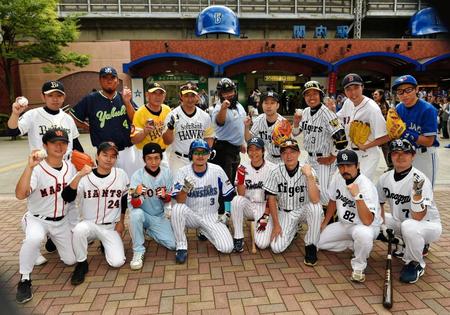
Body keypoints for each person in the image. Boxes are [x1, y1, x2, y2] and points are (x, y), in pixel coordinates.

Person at [7, 80, 82, 263]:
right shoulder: (33, 115)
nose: (55, 99)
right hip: (42, 168)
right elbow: (14, 130)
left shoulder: (67, 119)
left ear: (64, 97)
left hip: (65, 168)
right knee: (42, 202)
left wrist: (86, 163)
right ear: (43, 97)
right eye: (50, 95)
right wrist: (16, 113)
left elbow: (76, 143)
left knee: (68, 204)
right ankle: (31, 223)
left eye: (58, 95)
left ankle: (59, 236)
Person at [15, 128, 77, 303]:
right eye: (54, 142)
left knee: (70, 260)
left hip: (61, 221)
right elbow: (20, 194)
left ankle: (49, 238)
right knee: (34, 239)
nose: (59, 146)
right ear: (45, 145)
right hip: (37, 219)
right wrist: (29, 167)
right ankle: (25, 279)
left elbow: (72, 199)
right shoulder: (37, 168)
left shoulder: (70, 168)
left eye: (63, 142)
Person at [62, 142, 129, 285]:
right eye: (105, 155)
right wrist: (79, 175)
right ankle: (81, 264)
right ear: (97, 156)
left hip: (111, 227)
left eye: (113, 156)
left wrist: (121, 221)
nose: (108, 159)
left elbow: (124, 199)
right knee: (79, 230)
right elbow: (67, 196)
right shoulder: (85, 176)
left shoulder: (121, 174)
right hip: (89, 225)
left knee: (116, 262)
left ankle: (105, 244)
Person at [376, 139, 441, 283]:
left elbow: (418, 216)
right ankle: (404, 243)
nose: (400, 156)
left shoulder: (420, 180)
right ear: (390, 156)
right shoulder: (384, 178)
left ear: (413, 156)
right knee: (373, 219)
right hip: (401, 221)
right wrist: (382, 226)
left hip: (427, 225)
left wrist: (416, 196)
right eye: (395, 153)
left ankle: (415, 263)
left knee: (409, 226)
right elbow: (378, 203)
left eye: (406, 153)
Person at [318, 149, 382, 283]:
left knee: (363, 235)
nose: (344, 169)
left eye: (349, 165)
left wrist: (358, 196)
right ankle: (353, 244)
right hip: (345, 224)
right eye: (341, 166)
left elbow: (367, 220)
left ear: (357, 166)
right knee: (319, 242)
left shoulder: (366, 186)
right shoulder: (338, 177)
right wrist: (325, 223)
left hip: (365, 226)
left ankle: (359, 266)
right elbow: (332, 200)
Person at [170, 139, 234, 264]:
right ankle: (181, 246)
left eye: (204, 152)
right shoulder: (182, 172)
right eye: (196, 152)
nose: (200, 156)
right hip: (191, 215)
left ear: (209, 154)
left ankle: (205, 230)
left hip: (211, 215)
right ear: (191, 155)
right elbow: (179, 200)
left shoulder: (217, 170)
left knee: (227, 248)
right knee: (177, 209)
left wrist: (227, 212)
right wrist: (185, 189)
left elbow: (228, 194)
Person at [70, 66, 138, 177]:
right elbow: (72, 117)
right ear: (100, 80)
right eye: (105, 77)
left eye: (112, 77)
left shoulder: (124, 97)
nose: (109, 80)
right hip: (104, 152)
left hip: (126, 150)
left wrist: (127, 102)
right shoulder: (91, 99)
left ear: (117, 80)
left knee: (129, 181)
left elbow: (135, 119)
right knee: (106, 182)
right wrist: (86, 126)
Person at [263, 139, 322, 266]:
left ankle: (311, 245)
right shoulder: (275, 171)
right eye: (285, 153)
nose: (289, 156)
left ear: (299, 153)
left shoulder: (307, 170)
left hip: (304, 209)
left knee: (316, 208)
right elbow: (271, 199)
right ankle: (293, 228)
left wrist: (309, 177)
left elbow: (315, 199)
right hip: (286, 212)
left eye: (292, 152)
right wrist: (277, 225)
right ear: (281, 155)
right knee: (276, 248)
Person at [292, 81, 348, 210]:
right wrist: (295, 123)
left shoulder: (327, 113)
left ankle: (329, 223)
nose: (311, 97)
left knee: (324, 195)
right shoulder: (305, 112)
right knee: (305, 188)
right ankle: (312, 217)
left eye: (314, 94)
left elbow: (342, 140)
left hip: (324, 159)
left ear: (320, 95)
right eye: (308, 94)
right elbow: (295, 134)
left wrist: (332, 157)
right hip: (309, 158)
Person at [128, 143, 176, 270]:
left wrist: (165, 196)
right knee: (135, 214)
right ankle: (138, 250)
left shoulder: (167, 173)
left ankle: (148, 230)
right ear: (144, 159)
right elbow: (134, 204)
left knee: (173, 245)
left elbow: (169, 199)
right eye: (149, 158)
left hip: (159, 216)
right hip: (143, 214)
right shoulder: (137, 176)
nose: (153, 162)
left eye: (156, 157)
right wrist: (136, 195)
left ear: (161, 158)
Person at [336, 73, 389, 180]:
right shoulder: (348, 103)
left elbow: (386, 137)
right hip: (350, 152)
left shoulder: (372, 109)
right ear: (344, 92)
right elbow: (338, 118)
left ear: (362, 87)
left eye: (356, 87)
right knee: (345, 184)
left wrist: (365, 146)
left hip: (367, 154)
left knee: (359, 185)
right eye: (348, 89)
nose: (353, 92)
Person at [391, 75, 439, 187]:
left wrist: (405, 133)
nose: (405, 95)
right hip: (404, 153)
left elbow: (429, 141)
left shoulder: (428, 109)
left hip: (423, 154)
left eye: (408, 90)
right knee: (405, 191)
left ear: (417, 89)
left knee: (423, 193)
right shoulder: (398, 108)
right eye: (400, 92)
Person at [230, 137, 276, 252]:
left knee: (262, 244)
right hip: (249, 205)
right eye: (251, 149)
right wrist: (241, 179)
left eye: (257, 149)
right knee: (236, 200)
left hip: (266, 207)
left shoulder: (273, 168)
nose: (254, 152)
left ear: (263, 151)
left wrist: (266, 215)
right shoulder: (242, 168)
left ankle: (266, 226)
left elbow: (275, 197)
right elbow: (241, 194)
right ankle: (238, 237)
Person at [162, 81, 215, 178]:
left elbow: (209, 137)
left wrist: (208, 152)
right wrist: (170, 128)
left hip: (198, 159)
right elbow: (166, 141)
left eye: (192, 95)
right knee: (179, 190)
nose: (189, 99)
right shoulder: (172, 115)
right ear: (181, 96)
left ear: (197, 97)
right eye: (186, 95)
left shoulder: (205, 116)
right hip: (178, 160)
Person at [211, 78, 247, 185]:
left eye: (230, 91)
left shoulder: (238, 105)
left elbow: (240, 124)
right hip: (224, 150)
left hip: (236, 150)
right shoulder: (219, 108)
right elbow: (220, 121)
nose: (228, 94)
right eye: (225, 92)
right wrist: (223, 108)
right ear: (220, 94)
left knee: (232, 179)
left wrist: (242, 142)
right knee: (225, 183)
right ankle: (225, 202)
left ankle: (230, 201)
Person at [130, 82, 171, 170]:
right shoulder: (140, 113)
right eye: (154, 93)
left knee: (165, 181)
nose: (157, 96)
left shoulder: (167, 110)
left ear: (164, 96)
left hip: (162, 154)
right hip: (145, 155)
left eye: (160, 94)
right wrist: (144, 132)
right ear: (147, 95)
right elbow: (133, 140)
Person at [244, 91, 287, 164]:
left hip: (283, 159)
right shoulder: (259, 119)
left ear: (277, 105)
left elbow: (290, 147)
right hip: (268, 158)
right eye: (266, 103)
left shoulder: (284, 123)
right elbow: (249, 140)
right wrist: (246, 127)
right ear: (262, 105)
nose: (269, 106)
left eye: (272, 103)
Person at [373, 89, 393, 170]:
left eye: (376, 94)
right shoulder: (377, 104)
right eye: (374, 94)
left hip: (383, 131)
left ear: (381, 96)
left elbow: (382, 119)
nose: (374, 96)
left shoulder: (382, 105)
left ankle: (391, 165)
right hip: (380, 130)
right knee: (385, 149)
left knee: (386, 149)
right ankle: (390, 165)